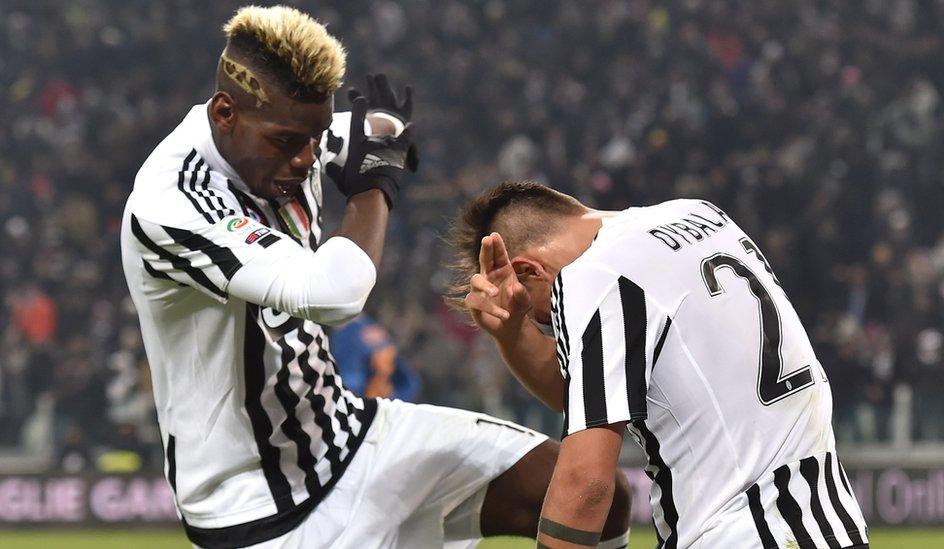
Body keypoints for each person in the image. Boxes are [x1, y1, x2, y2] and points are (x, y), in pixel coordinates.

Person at [120, 6, 630, 548]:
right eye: (288, 142)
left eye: (314, 137)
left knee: (597, 495)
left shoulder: (281, 134)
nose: (304, 159)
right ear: (225, 113)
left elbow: (377, 133)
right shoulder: (172, 202)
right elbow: (336, 295)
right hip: (256, 508)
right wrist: (372, 188)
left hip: (353, 438)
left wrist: (384, 136)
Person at [453, 182, 869, 548]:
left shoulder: (589, 277)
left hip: (732, 533)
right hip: (834, 526)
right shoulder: (701, 215)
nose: (547, 326)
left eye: (539, 317)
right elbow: (585, 391)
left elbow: (586, 482)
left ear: (528, 270)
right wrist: (512, 336)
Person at [329, 313, 421, 401]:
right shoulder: (350, 338)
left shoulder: (388, 356)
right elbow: (351, 381)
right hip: (357, 389)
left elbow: (412, 384)